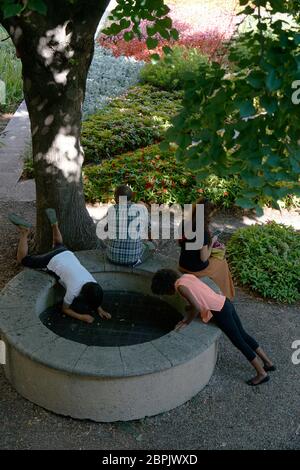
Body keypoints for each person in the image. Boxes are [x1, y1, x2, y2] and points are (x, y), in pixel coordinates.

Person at [151, 269, 276, 386]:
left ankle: (261, 373)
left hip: (220, 312)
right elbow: (200, 294)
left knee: (239, 342)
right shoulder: (185, 277)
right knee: (243, 335)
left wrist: (186, 322)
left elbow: (197, 307)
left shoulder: (180, 287)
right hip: (224, 303)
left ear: (165, 287)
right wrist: (189, 308)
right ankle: (268, 363)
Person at [8, 210, 111, 324]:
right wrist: (82, 317)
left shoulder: (92, 281)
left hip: (66, 253)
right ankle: (24, 232)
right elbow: (65, 309)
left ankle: (55, 224)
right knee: (23, 260)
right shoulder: (73, 291)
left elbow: (94, 294)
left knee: (58, 244)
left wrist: (100, 309)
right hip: (52, 260)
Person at [178, 198, 235, 300]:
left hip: (182, 263)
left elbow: (180, 243)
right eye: (211, 214)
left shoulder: (183, 223)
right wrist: (212, 241)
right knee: (222, 262)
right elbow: (204, 258)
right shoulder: (203, 232)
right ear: (207, 215)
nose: (212, 217)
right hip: (195, 269)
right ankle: (226, 296)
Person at [105, 185, 156, 267]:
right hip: (132, 261)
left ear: (117, 198)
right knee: (151, 246)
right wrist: (150, 241)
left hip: (112, 258)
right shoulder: (141, 210)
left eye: (115, 196)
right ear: (131, 197)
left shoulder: (111, 209)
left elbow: (106, 229)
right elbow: (149, 229)